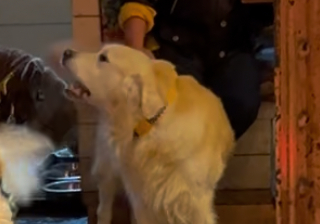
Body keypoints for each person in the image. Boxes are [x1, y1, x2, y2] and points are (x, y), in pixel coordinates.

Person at [117, 0, 272, 140]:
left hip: (234, 47)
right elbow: (137, 4)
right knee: (176, 107)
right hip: (177, 48)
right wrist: (135, 52)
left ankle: (204, 155)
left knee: (241, 103)